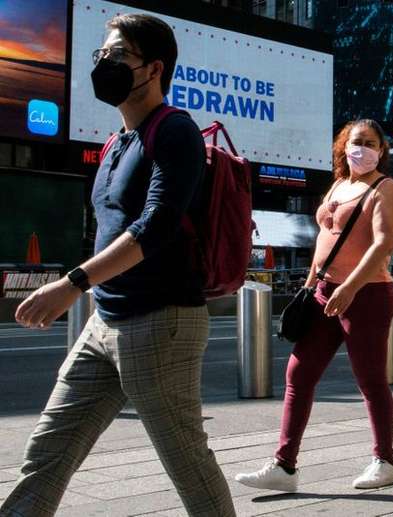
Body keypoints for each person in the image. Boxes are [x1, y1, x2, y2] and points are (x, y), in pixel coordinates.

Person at [0, 14, 236, 517]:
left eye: (118, 56)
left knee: (187, 463)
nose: (105, 64)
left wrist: (71, 284)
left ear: (153, 68)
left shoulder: (175, 133)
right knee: (47, 453)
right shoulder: (116, 143)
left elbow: (155, 227)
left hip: (160, 322)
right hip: (105, 323)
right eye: (101, 56)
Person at [235, 119, 393, 492]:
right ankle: (284, 466)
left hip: (367, 295)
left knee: (371, 379)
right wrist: (312, 286)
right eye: (356, 141)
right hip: (324, 293)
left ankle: (385, 460)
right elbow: (325, 239)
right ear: (344, 146)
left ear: (382, 150)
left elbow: (383, 244)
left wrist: (350, 287)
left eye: (371, 143)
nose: (362, 148)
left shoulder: (385, 188)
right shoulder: (339, 185)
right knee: (299, 374)